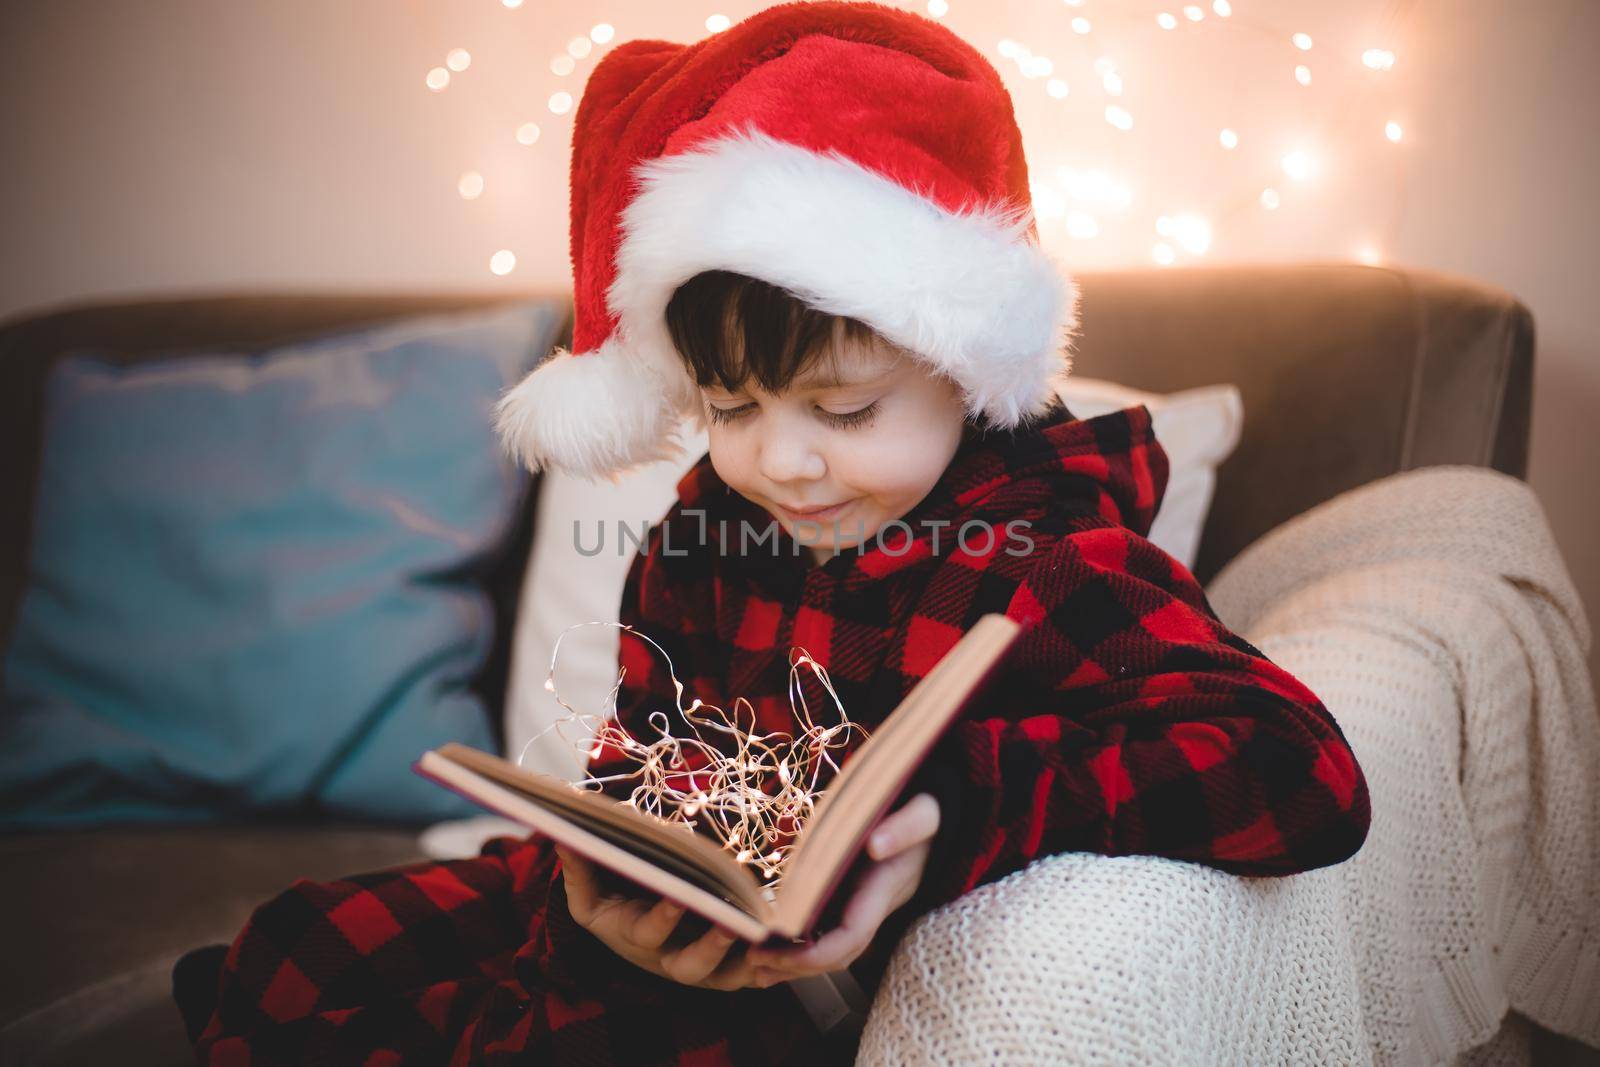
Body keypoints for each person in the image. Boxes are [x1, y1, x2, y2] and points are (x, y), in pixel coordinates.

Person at [178, 3, 1372, 1064]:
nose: (780, 460)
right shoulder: (706, 532)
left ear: (961, 369)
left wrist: (966, 803)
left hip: (796, 989)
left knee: (583, 1032)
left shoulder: (1055, 559)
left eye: (844, 410)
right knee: (301, 945)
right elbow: (649, 740)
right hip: (682, 912)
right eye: (732, 408)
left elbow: (1305, 774)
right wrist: (618, 866)